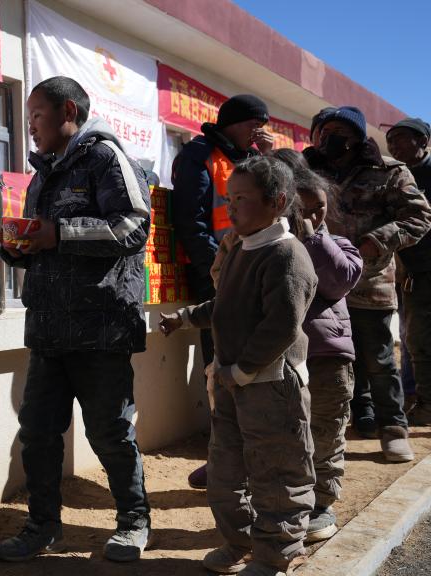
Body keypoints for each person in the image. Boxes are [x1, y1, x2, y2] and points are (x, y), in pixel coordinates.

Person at [0, 76, 153, 563]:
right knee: (38, 432)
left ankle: (133, 521)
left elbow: (133, 226)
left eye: (36, 116)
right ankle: (42, 527)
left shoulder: (105, 157)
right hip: (49, 331)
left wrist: (59, 233)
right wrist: (18, 248)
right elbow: (44, 243)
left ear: (68, 111)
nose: (30, 127)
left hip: (101, 328)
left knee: (109, 432)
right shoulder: (42, 175)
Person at [161, 156, 318, 576]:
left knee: (277, 473)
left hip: (270, 386)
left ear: (277, 201)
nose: (230, 208)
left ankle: (277, 554)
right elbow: (226, 304)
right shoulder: (239, 248)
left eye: (242, 199)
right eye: (228, 199)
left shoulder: (286, 254)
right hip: (233, 382)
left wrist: (242, 370)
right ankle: (240, 543)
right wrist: (186, 317)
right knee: (225, 471)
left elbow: (281, 325)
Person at [305, 106, 431, 461]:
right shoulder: (306, 169)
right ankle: (345, 424)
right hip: (319, 285)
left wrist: (375, 243)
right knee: (328, 358)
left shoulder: (389, 171)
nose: (329, 138)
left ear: (357, 137)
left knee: (378, 359)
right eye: (324, 131)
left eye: (339, 132)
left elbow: (419, 216)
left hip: (370, 281)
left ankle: (393, 429)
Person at [170, 94, 274, 489]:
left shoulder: (253, 160)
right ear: (231, 122)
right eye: (253, 123)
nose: (259, 131)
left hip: (256, 271)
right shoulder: (199, 155)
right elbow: (190, 221)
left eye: (263, 125)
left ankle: (253, 456)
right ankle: (225, 458)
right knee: (220, 368)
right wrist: (218, 269)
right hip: (218, 276)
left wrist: (268, 160)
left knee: (257, 363)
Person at [273, 151, 363, 543]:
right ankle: (286, 503)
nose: (311, 216)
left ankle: (322, 504)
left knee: (325, 435)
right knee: (285, 435)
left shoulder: (337, 244)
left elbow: (340, 280)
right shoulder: (271, 244)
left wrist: (312, 238)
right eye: (302, 209)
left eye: (319, 208)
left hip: (327, 359)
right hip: (280, 359)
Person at [387, 117, 431, 426]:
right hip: (407, 274)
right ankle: (420, 400)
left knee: (420, 340)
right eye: (390, 140)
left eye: (401, 138)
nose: (394, 145)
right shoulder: (394, 177)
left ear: (423, 142)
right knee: (414, 340)